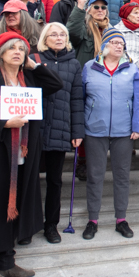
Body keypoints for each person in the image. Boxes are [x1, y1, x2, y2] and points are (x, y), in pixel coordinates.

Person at [0, 32, 62, 277]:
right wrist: (4, 123)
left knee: (14, 207)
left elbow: (55, 85)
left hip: (23, 154)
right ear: (0, 52)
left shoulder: (28, 78)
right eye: (12, 48)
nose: (18, 52)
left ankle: (7, 261)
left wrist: (35, 65)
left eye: (22, 48)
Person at [81, 29, 139, 239]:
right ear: (105, 45)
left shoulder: (132, 69)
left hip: (123, 131)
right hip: (94, 130)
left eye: (122, 44)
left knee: (122, 176)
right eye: (115, 42)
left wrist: (138, 126)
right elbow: (80, 98)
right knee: (95, 176)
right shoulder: (89, 68)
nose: (120, 46)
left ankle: (121, 219)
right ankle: (93, 220)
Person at [30, 22, 84, 244]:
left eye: (63, 34)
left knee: (55, 181)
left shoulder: (73, 64)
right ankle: (28, 224)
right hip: (34, 128)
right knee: (30, 180)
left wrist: (77, 130)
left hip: (61, 128)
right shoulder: (33, 59)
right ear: (45, 37)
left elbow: (77, 99)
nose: (59, 37)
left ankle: (51, 225)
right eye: (54, 34)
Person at [69, 0, 110, 67]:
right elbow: (72, 33)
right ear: (89, 11)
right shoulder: (84, 27)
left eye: (103, 7)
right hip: (86, 72)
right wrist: (80, 7)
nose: (100, 10)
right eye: (96, 7)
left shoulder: (111, 31)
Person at [113, 2, 139, 72]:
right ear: (127, 15)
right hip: (120, 68)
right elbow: (115, 50)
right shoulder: (117, 30)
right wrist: (128, 62)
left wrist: (136, 63)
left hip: (138, 69)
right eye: (135, 13)